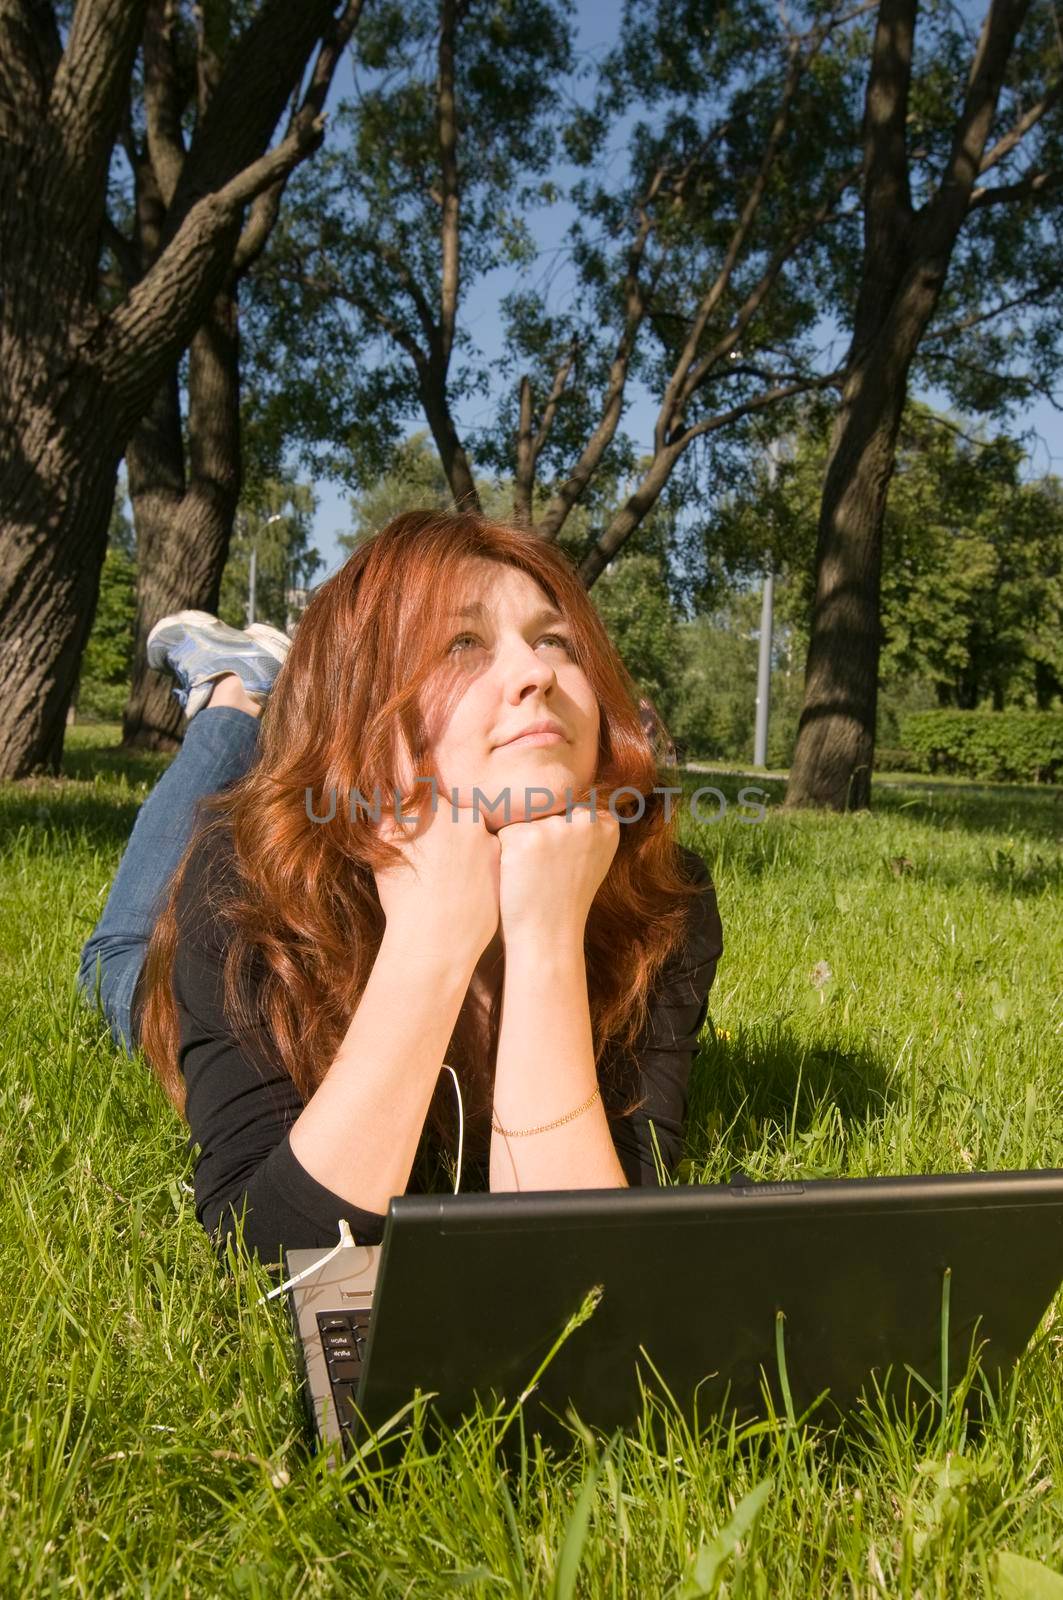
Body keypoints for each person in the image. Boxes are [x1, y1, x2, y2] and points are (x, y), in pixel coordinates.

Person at [78, 512, 724, 1265]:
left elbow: (581, 1252)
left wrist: (546, 932)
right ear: (363, 703)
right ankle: (229, 698)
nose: (537, 673)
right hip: (158, 981)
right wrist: (434, 937)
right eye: (462, 644)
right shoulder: (247, 874)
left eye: (552, 639)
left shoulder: (657, 892)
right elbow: (267, 1245)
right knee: (116, 962)